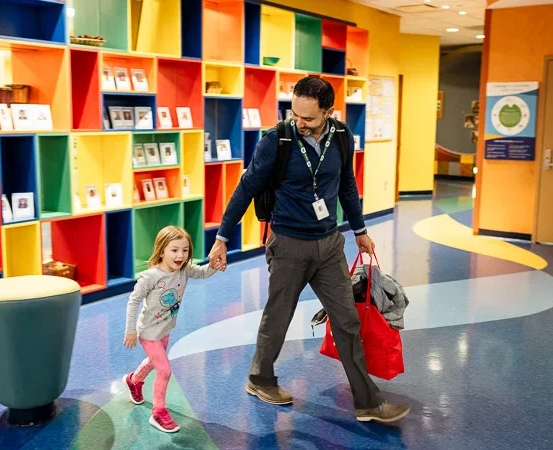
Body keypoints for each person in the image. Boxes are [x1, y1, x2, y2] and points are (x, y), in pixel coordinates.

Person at [208, 77, 409, 424]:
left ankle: (368, 402)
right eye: (295, 114)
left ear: (329, 112)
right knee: (278, 316)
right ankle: (261, 378)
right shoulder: (277, 140)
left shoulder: (342, 136)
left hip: (330, 244)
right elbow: (246, 188)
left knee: (347, 320)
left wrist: (359, 230)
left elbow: (347, 183)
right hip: (288, 244)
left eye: (310, 119)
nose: (300, 123)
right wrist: (223, 238)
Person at [124, 226, 217, 433]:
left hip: (165, 328)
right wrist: (130, 330)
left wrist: (215, 264)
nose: (180, 255)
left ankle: (134, 380)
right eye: (174, 250)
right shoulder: (150, 276)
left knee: (154, 361)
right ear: (161, 250)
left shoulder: (183, 269)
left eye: (185, 250)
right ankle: (158, 413)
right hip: (148, 331)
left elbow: (202, 273)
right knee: (164, 369)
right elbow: (134, 301)